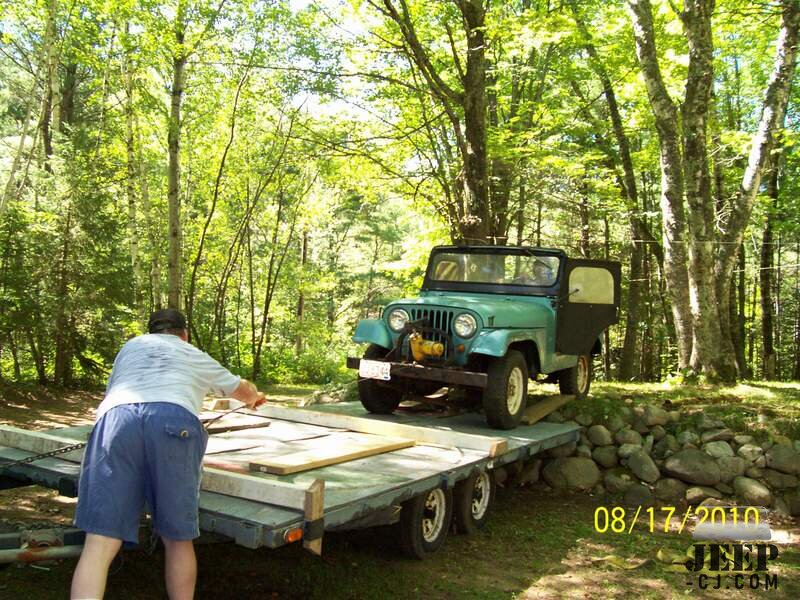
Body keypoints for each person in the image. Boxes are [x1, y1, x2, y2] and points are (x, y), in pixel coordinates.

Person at [70, 309, 265, 600]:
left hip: (117, 421)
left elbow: (116, 393)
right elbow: (239, 388)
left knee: (99, 540)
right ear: (183, 334)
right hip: (173, 421)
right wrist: (254, 397)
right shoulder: (190, 352)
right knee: (177, 538)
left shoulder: (130, 348)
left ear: (151, 331)